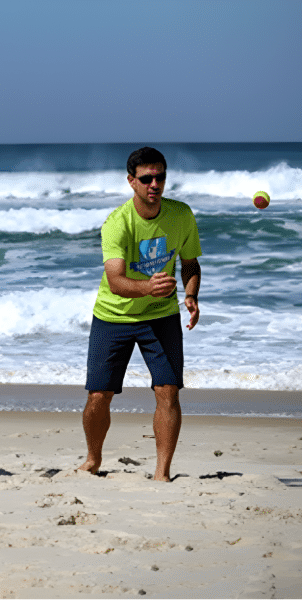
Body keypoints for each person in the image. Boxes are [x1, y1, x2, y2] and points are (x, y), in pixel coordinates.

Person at [79, 146, 202, 482]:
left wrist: (190, 295)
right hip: (114, 316)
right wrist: (149, 287)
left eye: (160, 177)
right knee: (98, 396)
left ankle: (162, 472)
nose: (154, 184)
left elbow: (190, 263)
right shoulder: (117, 223)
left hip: (161, 316)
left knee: (168, 390)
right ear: (131, 181)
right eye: (146, 178)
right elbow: (116, 281)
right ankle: (93, 459)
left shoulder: (181, 215)